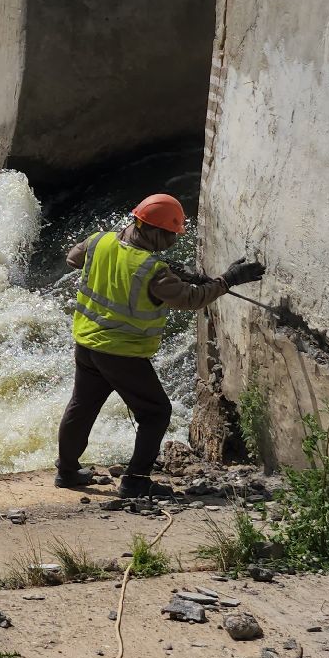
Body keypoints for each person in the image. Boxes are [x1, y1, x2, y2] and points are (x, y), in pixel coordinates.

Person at [56, 193, 264, 499]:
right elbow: (192, 299)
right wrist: (227, 280)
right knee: (155, 413)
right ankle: (135, 481)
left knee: (82, 405)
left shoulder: (100, 241)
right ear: (150, 229)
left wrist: (162, 269)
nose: (172, 242)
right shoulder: (151, 270)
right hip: (121, 352)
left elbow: (74, 258)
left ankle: (67, 471)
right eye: (169, 235)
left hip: (88, 343)